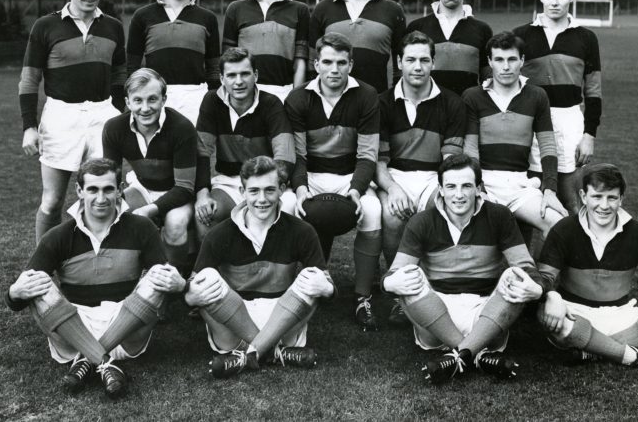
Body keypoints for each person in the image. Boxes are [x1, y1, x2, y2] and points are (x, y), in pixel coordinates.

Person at [5, 158, 185, 398]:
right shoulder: (58, 236)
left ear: (120, 189)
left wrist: (180, 285)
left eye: (108, 189)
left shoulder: (142, 227)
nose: (101, 198)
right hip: (72, 329)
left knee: (159, 274)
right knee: (37, 281)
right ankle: (103, 361)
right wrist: (14, 293)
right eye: (93, 189)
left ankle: (89, 359)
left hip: (126, 328)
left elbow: (165, 287)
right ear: (80, 191)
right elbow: (18, 298)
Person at [382, 155, 543, 384]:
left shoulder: (499, 215)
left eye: (466, 186)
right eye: (451, 186)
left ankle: (459, 356)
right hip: (436, 318)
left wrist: (536, 288)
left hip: (486, 315)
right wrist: (390, 283)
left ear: (478, 188)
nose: (458, 195)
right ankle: (477, 355)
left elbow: (526, 266)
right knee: (408, 275)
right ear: (440, 190)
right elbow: (392, 273)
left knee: (515, 276)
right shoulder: (422, 221)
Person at [185, 156, 334, 377]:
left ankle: (248, 356)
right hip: (234, 322)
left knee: (313, 276)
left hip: (282, 318)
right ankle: (274, 352)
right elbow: (190, 289)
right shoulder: (219, 234)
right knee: (206, 277)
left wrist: (327, 288)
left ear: (282, 189)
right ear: (242, 191)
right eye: (253, 191)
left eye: (269, 190)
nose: (261, 199)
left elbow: (328, 286)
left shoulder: (301, 231)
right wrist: (191, 297)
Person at [537, 164, 638, 370]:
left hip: (619, 313)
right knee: (550, 315)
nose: (604, 205)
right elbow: (544, 278)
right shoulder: (564, 229)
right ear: (584, 196)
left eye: (612, 198)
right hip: (575, 313)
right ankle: (632, 356)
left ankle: (593, 350)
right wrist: (553, 297)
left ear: (621, 199)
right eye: (597, 197)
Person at [19, 0, 125, 241]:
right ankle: (41, 269)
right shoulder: (45, 26)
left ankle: (99, 261)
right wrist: (29, 127)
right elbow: (30, 80)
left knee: (105, 195)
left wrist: (121, 114)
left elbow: (120, 75)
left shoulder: (113, 26)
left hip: (103, 114)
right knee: (52, 201)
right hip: (61, 116)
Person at [285, 32, 382, 331]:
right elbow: (297, 155)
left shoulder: (366, 95)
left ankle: (362, 295)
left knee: (373, 211)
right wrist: (300, 189)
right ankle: (286, 290)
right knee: (286, 206)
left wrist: (356, 190)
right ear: (316, 64)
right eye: (327, 62)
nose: (334, 69)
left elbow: (368, 155)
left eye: (342, 62)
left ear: (351, 64)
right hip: (310, 177)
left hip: (348, 176)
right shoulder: (299, 97)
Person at [375, 31, 466, 323]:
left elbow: (451, 160)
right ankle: (401, 291)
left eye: (424, 60)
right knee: (392, 216)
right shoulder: (383, 102)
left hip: (433, 176)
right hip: (393, 174)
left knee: (442, 209)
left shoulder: (451, 102)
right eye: (410, 59)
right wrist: (393, 189)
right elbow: (378, 160)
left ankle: (434, 286)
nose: (417, 67)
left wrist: (444, 189)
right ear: (399, 62)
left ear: (433, 64)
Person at [462, 31, 567, 258]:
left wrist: (549, 189)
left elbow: (548, 145)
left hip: (520, 184)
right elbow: (470, 149)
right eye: (499, 60)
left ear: (522, 60)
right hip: (485, 183)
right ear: (489, 62)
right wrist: (477, 187)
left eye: (511, 59)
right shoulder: (473, 96)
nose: (506, 66)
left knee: (559, 224)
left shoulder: (537, 96)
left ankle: (541, 283)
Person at [513, 0, 602, 214]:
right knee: (529, 198)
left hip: (569, 121)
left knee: (571, 199)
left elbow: (593, 91)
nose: (554, 2)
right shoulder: (521, 35)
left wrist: (589, 135)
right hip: (528, 121)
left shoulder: (586, 38)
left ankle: (576, 251)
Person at [195, 48, 297, 240]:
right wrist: (202, 194)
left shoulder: (271, 104)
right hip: (229, 181)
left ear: (255, 75)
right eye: (231, 75)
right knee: (206, 213)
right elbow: (201, 152)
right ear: (222, 78)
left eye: (245, 74)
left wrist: (260, 189)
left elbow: (286, 155)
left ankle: (276, 265)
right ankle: (207, 269)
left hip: (265, 181)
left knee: (283, 210)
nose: (239, 81)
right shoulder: (211, 101)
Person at [102, 68, 197, 273]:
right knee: (108, 214)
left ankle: (176, 279)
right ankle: (120, 280)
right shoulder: (114, 128)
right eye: (138, 100)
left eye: (152, 99)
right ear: (128, 102)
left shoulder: (182, 127)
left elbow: (185, 187)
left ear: (164, 99)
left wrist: (148, 210)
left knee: (175, 223)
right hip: (143, 187)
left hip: (180, 193)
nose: (145, 108)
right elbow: (110, 177)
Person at [127, 0, 220, 125]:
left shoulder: (208, 18)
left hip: (195, 97)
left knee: (193, 151)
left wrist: (212, 100)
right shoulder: (142, 16)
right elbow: (132, 66)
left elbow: (214, 68)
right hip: (154, 95)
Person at [309, 0, 406, 93]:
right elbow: (311, 64)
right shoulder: (323, 8)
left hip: (376, 106)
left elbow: (400, 67)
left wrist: (393, 104)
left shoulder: (393, 10)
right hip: (331, 105)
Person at [222, 0, 309, 102]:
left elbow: (300, 62)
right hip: (245, 95)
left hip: (284, 94)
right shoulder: (235, 9)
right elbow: (227, 61)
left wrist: (295, 100)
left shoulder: (300, 10)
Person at [406, 0, 492, 95]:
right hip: (426, 112)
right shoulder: (416, 28)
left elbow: (488, 79)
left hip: (467, 112)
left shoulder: (482, 30)